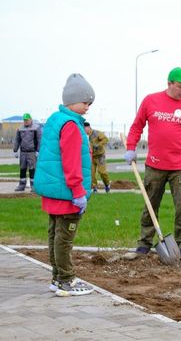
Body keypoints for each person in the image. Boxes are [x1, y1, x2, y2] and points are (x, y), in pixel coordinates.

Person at [124, 67, 181, 260]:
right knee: (150, 205)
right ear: (169, 83)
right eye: (180, 86)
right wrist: (131, 147)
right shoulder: (151, 101)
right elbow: (137, 125)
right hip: (155, 165)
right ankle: (144, 244)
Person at [33, 73, 95, 297]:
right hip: (68, 193)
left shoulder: (54, 119)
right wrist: (78, 192)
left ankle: (57, 278)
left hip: (54, 192)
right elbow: (71, 162)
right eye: (85, 102)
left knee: (55, 236)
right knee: (65, 238)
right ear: (72, 99)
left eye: (90, 103)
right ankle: (67, 280)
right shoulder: (71, 125)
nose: (88, 106)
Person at [13, 113, 42, 191]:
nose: (25, 121)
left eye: (27, 120)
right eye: (24, 120)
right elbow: (17, 140)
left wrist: (38, 151)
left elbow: (39, 140)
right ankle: (21, 185)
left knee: (32, 169)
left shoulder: (36, 128)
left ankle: (34, 186)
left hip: (32, 152)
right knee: (22, 168)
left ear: (30, 119)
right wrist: (15, 150)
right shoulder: (20, 128)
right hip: (23, 152)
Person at [84, 122, 111, 193]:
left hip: (100, 156)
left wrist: (98, 145)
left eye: (85, 129)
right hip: (91, 157)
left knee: (102, 172)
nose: (84, 131)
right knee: (91, 173)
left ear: (88, 127)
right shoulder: (84, 136)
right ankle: (94, 187)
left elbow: (105, 139)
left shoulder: (96, 133)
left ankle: (107, 184)